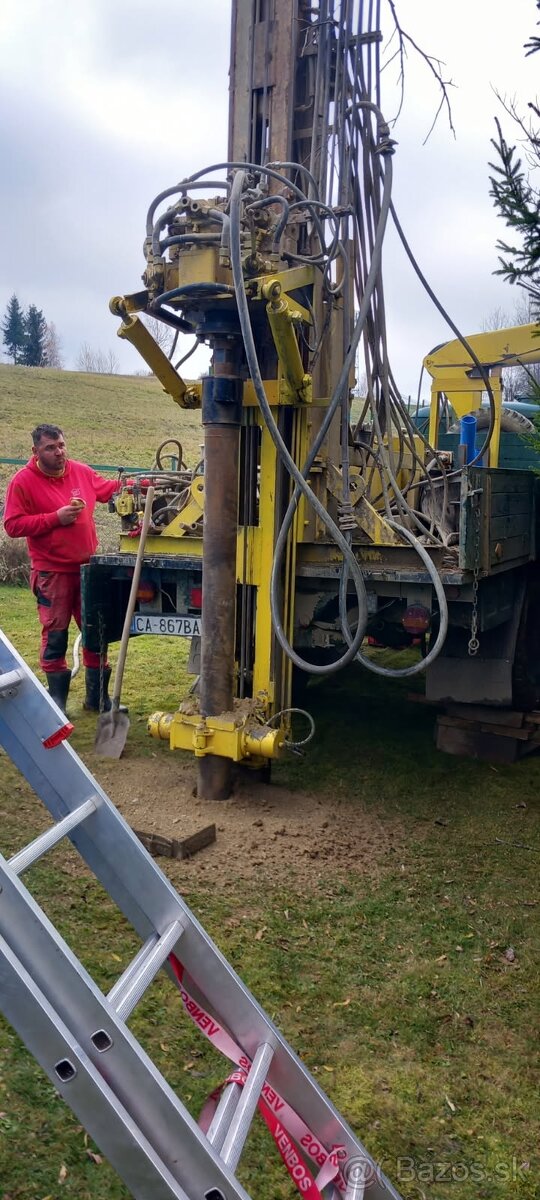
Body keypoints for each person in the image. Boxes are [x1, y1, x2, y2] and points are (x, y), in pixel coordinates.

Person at [3, 423, 119, 713]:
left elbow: (109, 490)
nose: (59, 452)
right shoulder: (23, 482)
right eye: (50, 448)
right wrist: (55, 518)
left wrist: (139, 483)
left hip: (87, 570)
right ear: (36, 451)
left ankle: (98, 700)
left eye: (61, 446)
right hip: (52, 572)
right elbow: (13, 525)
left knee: (95, 632)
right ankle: (57, 704)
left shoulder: (80, 471)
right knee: (55, 634)